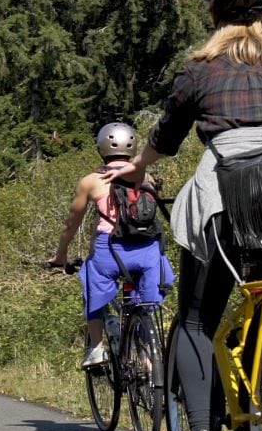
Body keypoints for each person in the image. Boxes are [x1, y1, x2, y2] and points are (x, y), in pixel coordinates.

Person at [101, 0, 262, 431]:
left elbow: (166, 137)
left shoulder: (201, 68)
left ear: (215, 12)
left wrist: (138, 169)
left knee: (196, 319)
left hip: (222, 197)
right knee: (261, 291)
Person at [47, 122, 174, 369]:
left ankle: (96, 349)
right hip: (148, 249)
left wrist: (61, 255)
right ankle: (150, 361)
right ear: (133, 146)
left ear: (101, 149)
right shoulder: (147, 177)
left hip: (111, 250)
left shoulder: (92, 181)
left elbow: (71, 223)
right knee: (144, 304)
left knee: (91, 281)